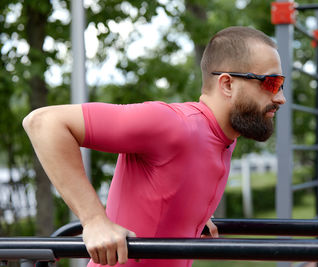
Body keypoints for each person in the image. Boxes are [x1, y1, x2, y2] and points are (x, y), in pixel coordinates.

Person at [22, 26, 286, 267]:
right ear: (227, 84)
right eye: (271, 83)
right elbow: (44, 123)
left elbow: (168, 186)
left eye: (281, 84)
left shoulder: (224, 138)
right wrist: (94, 221)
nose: (280, 98)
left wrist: (191, 216)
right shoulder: (173, 124)